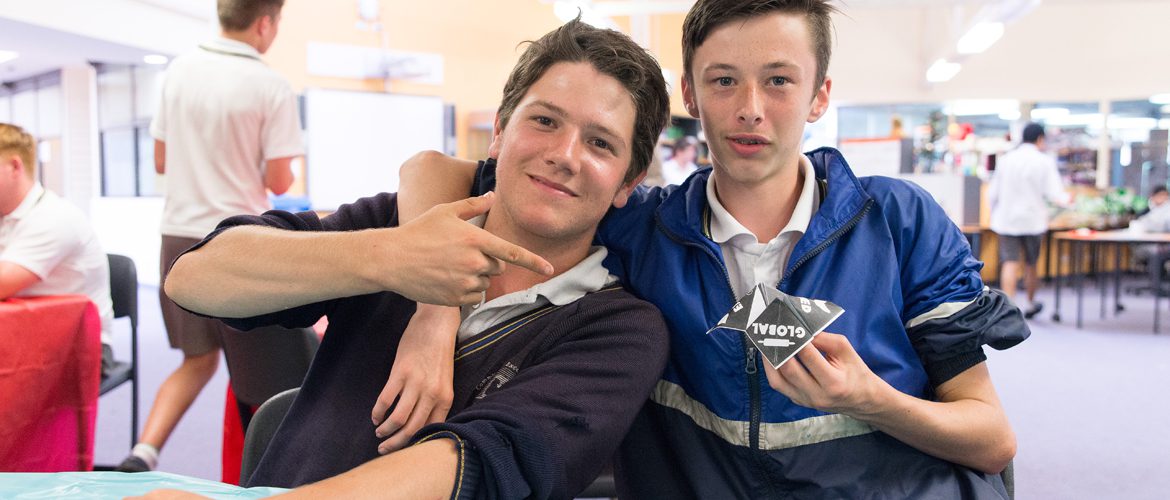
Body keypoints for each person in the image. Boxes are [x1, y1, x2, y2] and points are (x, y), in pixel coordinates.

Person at [391, 1, 1030, 497]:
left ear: (820, 96)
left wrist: (869, 399)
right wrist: (433, 308)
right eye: (724, 81)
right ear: (690, 95)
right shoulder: (643, 226)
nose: (750, 109)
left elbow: (991, 440)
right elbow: (434, 172)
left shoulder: (897, 221)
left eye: (779, 81)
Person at [138, 17, 671, 499]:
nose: (564, 155)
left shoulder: (621, 330)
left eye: (600, 143)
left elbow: (480, 464)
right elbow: (194, 279)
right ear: (500, 133)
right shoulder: (397, 224)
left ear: (628, 181)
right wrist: (400, 262)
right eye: (545, 121)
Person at [117, 0, 305, 473]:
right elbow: (281, 182)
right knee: (267, 381)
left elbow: (161, 161)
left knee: (197, 361)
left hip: (178, 239)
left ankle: (144, 453)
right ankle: (263, 474)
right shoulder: (270, 84)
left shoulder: (178, 73)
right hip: (239, 241)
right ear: (265, 22)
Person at [0, 123, 115, 375]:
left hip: (80, 345)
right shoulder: (6, 215)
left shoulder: (54, 217)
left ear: (15, 166)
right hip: (24, 334)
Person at [989, 122, 1069, 319]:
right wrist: (1065, 202)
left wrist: (994, 213)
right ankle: (1030, 303)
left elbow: (993, 192)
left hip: (1006, 219)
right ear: (1040, 139)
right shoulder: (1044, 161)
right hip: (1033, 220)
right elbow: (1055, 193)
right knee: (1031, 263)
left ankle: (1008, 308)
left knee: (1009, 262)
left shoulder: (1006, 159)